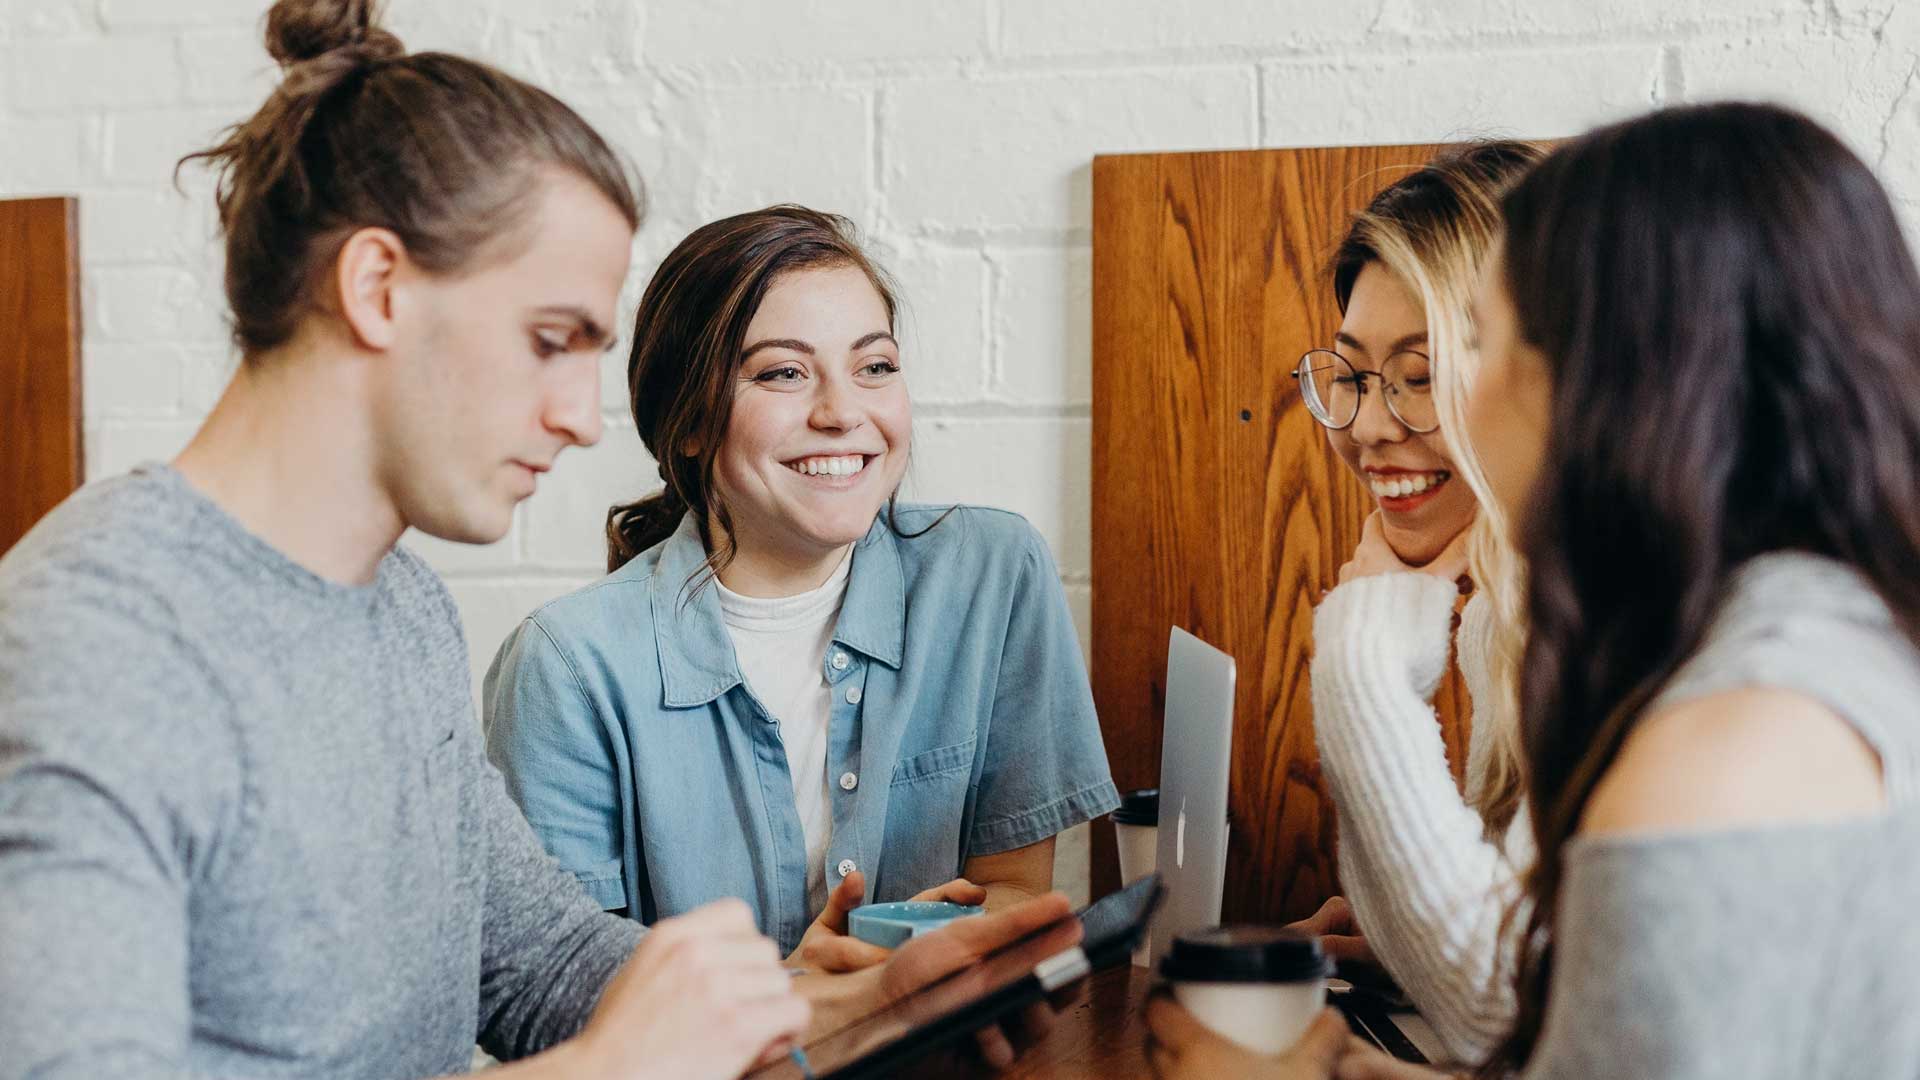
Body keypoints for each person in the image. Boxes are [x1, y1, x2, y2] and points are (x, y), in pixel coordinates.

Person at [0, 4, 1075, 1078]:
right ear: (377, 289)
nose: (581, 417)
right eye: (550, 341)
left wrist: (845, 1007)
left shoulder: (399, 607)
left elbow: (541, 966)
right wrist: (618, 1068)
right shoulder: (93, 644)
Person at [1148, 101, 1920, 1079]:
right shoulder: (1814, 634)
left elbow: (1511, 1009)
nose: (1460, 397)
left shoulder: (1721, 749)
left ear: (1624, 377)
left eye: (1485, 340)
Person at [483, 204, 1120, 966]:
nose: (843, 412)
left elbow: (1015, 890)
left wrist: (923, 958)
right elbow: (564, 993)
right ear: (687, 421)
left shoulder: (992, 575)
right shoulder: (566, 667)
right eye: (783, 372)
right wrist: (804, 1000)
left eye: (874, 366)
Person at [1293, 142, 1544, 1063]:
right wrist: (1402, 938)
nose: (1366, 425)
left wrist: (1361, 657)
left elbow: (1497, 1010)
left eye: (1421, 372)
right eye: (1354, 374)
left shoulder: (1615, 621)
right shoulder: (1505, 613)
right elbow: (1521, 975)